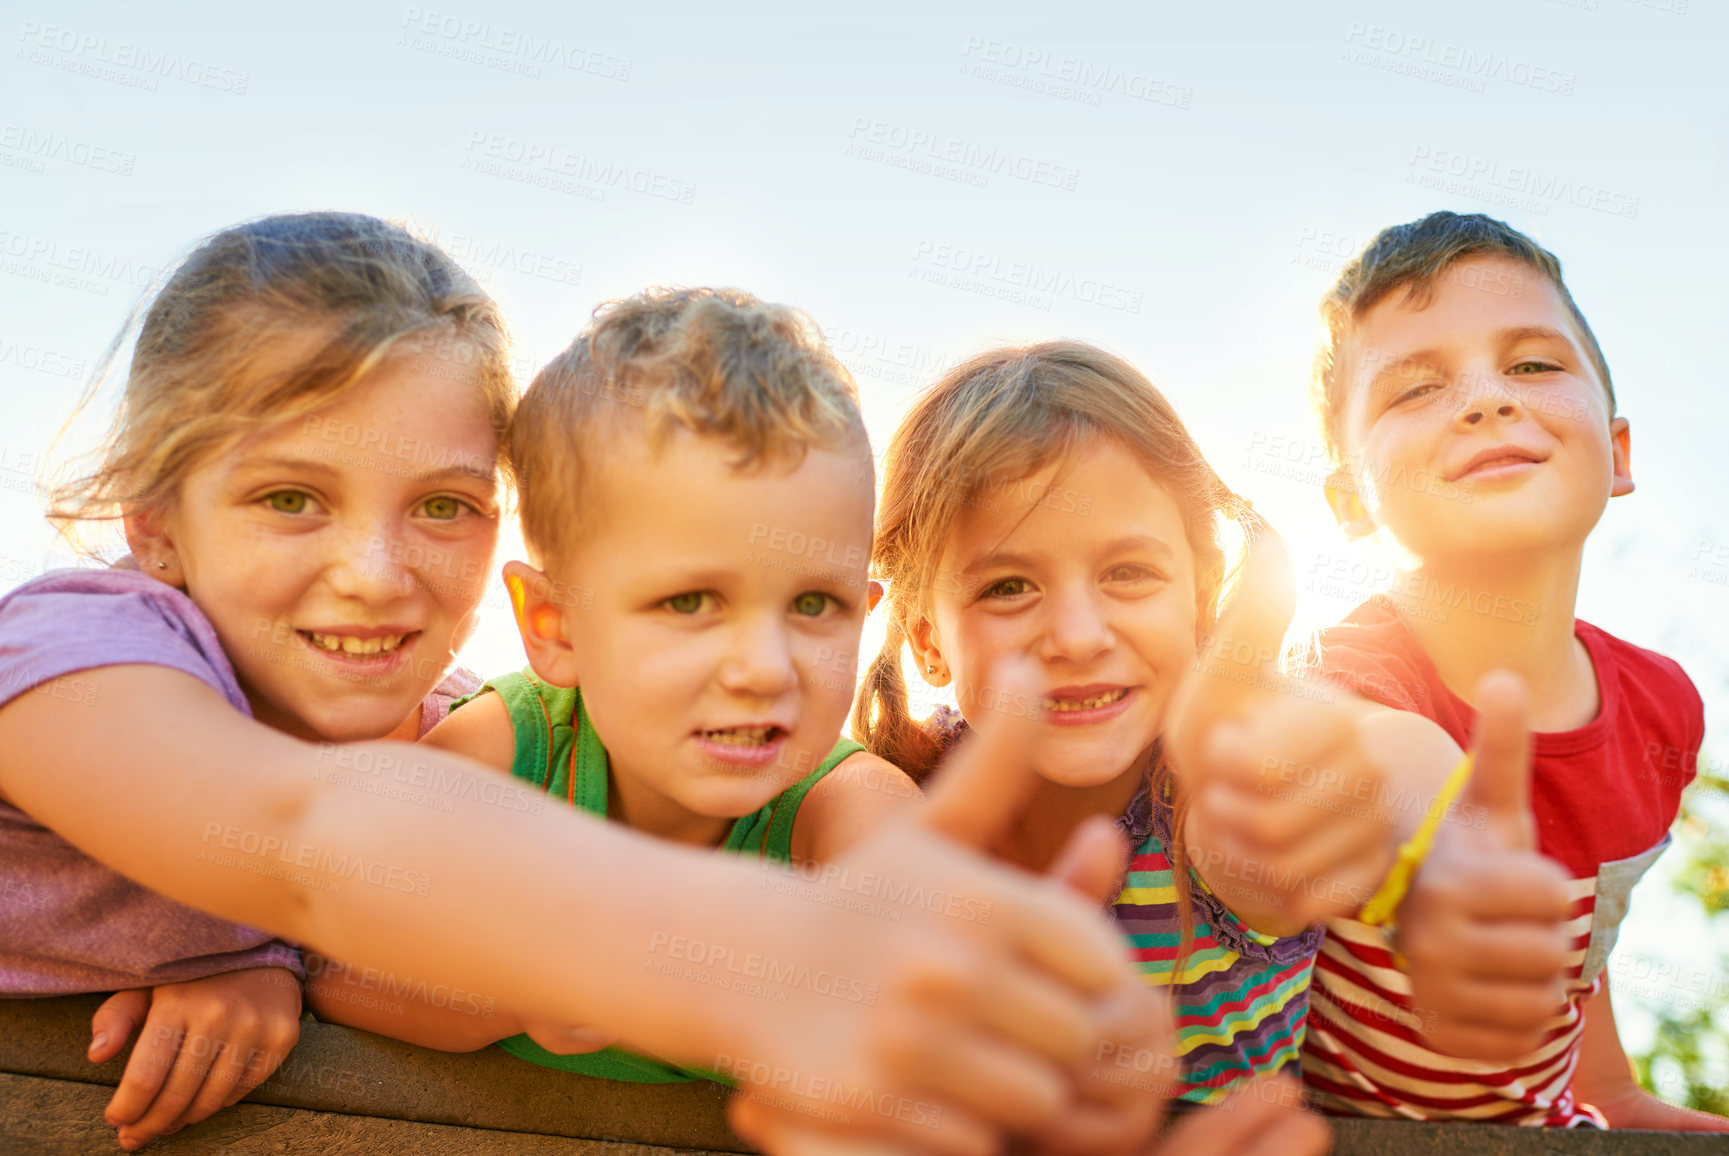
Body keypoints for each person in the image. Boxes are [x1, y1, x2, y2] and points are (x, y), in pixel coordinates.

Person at [0, 213, 1156, 1155]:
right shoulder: (71, 648)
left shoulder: (442, 719)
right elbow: (298, 839)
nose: (373, 574)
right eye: (289, 497)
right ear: (152, 524)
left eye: (443, 504)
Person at [306, 286, 922, 1081]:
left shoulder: (846, 807)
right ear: (556, 626)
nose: (766, 668)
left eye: (814, 604)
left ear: (866, 614)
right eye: (690, 602)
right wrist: (510, 995)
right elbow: (341, 968)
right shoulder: (505, 752)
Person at [1296, 209, 1729, 1130]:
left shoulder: (1661, 709)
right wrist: (1441, 847)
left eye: (1532, 364)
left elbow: (1591, 1002)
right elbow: (1373, 757)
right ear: (1349, 502)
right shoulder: (1339, 680)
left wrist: (1619, 1099)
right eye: (1413, 389)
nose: (1487, 400)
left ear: (1615, 453)